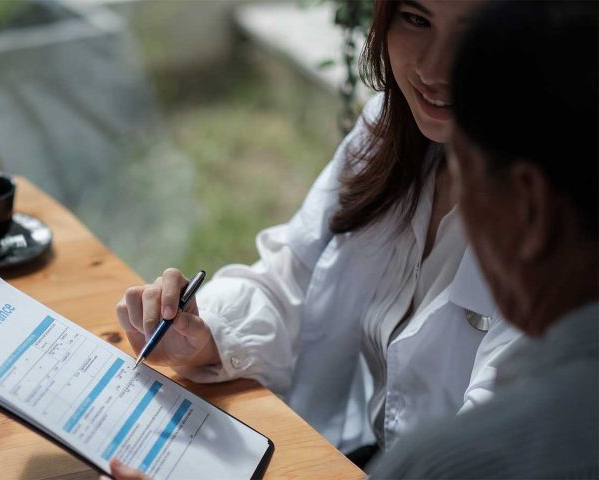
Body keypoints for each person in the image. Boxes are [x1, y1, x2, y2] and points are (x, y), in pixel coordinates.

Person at [114, 0, 523, 468]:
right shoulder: (389, 134)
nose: (434, 67)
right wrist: (202, 335)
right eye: (416, 19)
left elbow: (495, 450)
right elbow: (293, 276)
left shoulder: (566, 223)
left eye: (474, 34)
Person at [367, 1, 598, 477]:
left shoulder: (463, 459)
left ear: (529, 203)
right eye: (416, 18)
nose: (433, 71)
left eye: (466, 182)